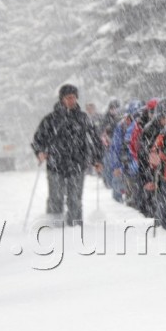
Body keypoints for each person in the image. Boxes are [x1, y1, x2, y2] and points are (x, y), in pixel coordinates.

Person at [32, 84, 104, 226]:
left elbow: (95, 139)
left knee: (75, 198)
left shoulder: (83, 118)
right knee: (55, 198)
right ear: (61, 99)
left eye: (74, 97)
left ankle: (75, 226)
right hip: (55, 164)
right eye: (68, 98)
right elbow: (38, 139)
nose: (72, 100)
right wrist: (40, 152)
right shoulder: (51, 119)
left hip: (77, 163)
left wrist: (98, 159)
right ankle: (54, 225)